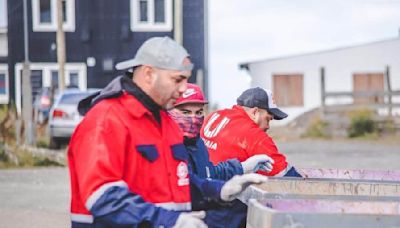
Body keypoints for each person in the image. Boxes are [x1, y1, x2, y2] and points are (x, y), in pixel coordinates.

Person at [68, 36, 268, 228]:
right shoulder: (106, 120)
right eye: (177, 79)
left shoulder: (165, 122)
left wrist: (221, 190)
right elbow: (102, 196)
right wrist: (169, 221)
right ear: (148, 74)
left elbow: (177, 181)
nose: (183, 89)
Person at [168, 83, 274, 227]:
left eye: (198, 112)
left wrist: (242, 167)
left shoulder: (197, 142)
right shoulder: (166, 145)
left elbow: (209, 173)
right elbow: (188, 184)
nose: (193, 118)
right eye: (185, 112)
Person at [200, 87, 302, 177]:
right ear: (255, 112)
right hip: (226, 193)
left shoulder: (214, 116)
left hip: (200, 183)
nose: (268, 126)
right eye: (268, 119)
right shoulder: (254, 135)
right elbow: (285, 175)